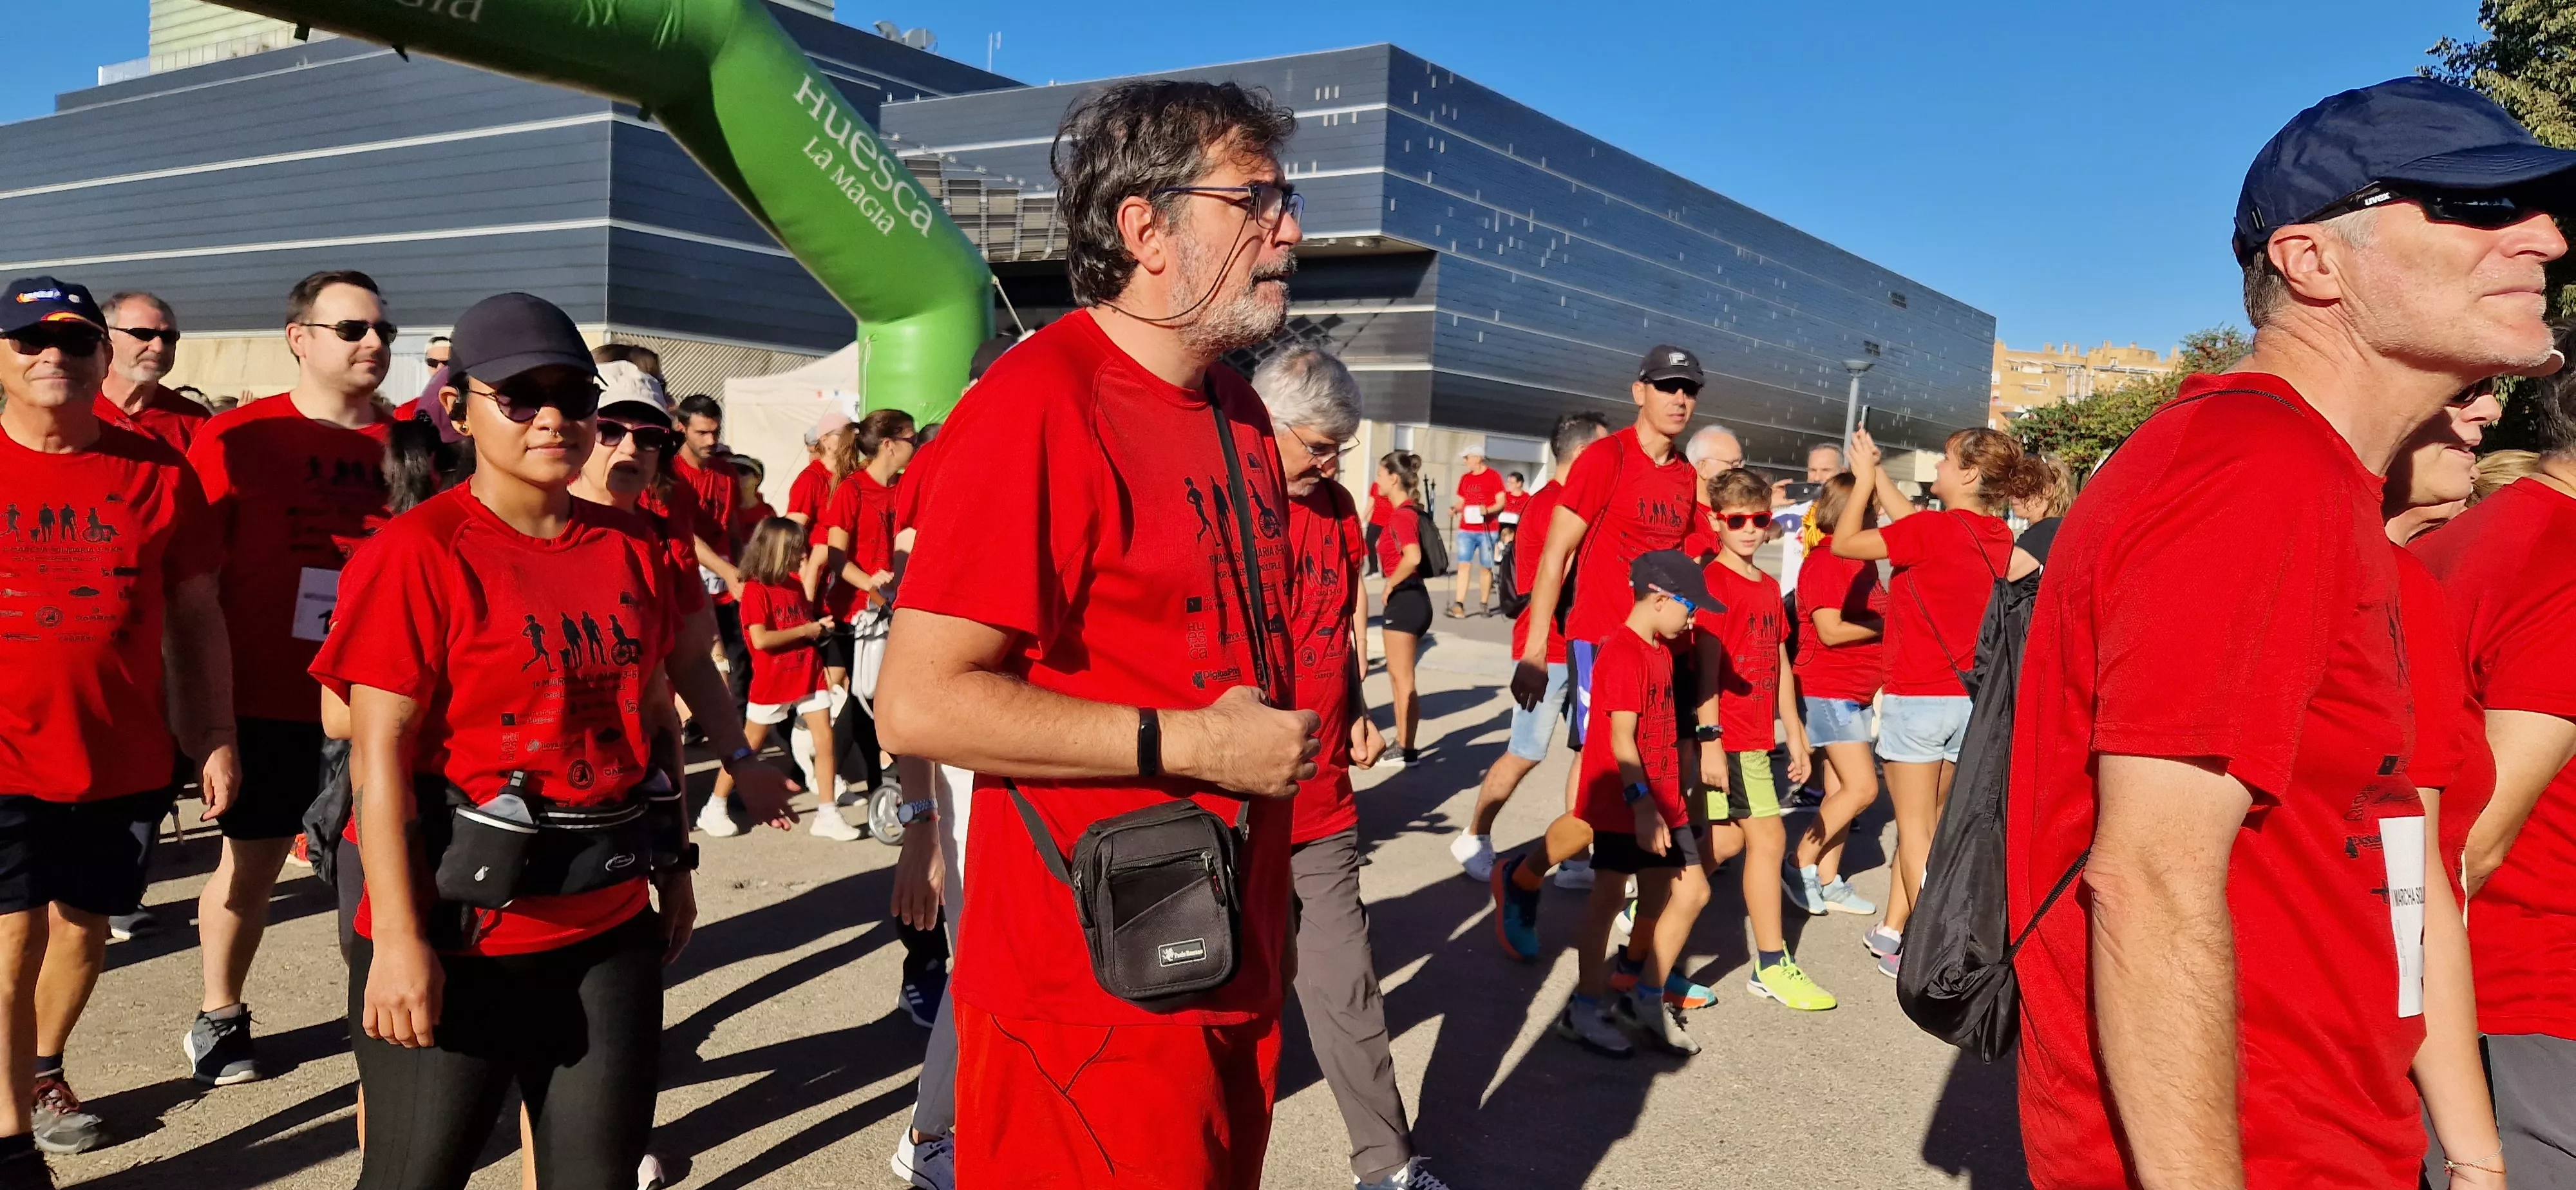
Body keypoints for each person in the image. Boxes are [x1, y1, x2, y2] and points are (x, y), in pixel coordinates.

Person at [2011, 76, 2568, 1188]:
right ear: (2315, 262)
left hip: (2340, 1136)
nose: (2547, 238)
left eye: (2541, 212)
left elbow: (2413, 862)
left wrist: (2472, 1152)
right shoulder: (2251, 470)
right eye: (2478, 208)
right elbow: (2153, 881)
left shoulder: (2341, 507)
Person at [872, 78, 1319, 1188]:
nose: (1290, 230)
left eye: (1286, 197)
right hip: (1090, 986)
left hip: (1228, 940)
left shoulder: (1242, 410)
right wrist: (1196, 745)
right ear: (1144, 227)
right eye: (1254, 200)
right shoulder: (1037, 402)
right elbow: (920, 700)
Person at [315, 292, 790, 1190]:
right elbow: (375, 758)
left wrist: (676, 865)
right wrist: (399, 944)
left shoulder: (638, 547)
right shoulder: (420, 551)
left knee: (594, 1179)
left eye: (573, 398)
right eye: (519, 397)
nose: (552, 419)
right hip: (462, 934)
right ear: (459, 409)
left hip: (606, 927)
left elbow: (652, 718)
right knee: (414, 1178)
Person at [0, 278, 235, 1167]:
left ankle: (40, 1066)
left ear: (101, 356)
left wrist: (215, 732)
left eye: (71, 339)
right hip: (6, 751)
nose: (51, 355)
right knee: (12, 934)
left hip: (120, 751)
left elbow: (197, 612)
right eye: (28, 341)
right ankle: (11, 1142)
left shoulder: (157, 471)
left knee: (84, 931)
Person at [183, 269, 397, 1086]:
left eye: (382, 329)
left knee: (383, 867)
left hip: (373, 702)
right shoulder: (238, 437)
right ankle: (219, 1014)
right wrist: (206, 720)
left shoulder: (411, 445)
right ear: (300, 338)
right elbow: (193, 583)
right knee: (250, 867)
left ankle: (390, 1013)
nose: (374, 342)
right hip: (267, 698)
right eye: (352, 329)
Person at [1255, 347, 1448, 1190]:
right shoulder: (1227, 503)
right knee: (1225, 1007)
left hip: (1323, 798)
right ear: (1264, 425)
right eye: (1317, 446)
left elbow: (1336, 625)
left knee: (1349, 988)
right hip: (1232, 806)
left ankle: (1388, 1168)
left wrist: (1361, 708)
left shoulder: (1337, 509)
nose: (1332, 464)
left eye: (1342, 447)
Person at [2414, 352, 2576, 1187]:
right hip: (2534, 994)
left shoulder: (2473, 534)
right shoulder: (2566, 560)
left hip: (2470, 997)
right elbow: (2474, 842)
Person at [1495, 345, 1701, 958]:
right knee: (1608, 798)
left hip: (1657, 652)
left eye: (1688, 389)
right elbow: (1556, 554)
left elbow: (1683, 562)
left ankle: (1635, 956)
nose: (1679, 399)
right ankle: (1524, 878)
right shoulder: (1603, 459)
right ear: (1639, 391)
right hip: (1598, 648)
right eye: (1666, 386)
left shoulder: (1685, 475)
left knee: (1652, 791)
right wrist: (1537, 649)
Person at [1830, 424, 2036, 979]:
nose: (1936, 469)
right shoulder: (1995, 536)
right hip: (1968, 703)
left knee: (1915, 831)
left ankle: (1936, 951)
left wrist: (1867, 479)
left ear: (1968, 473)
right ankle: (1900, 938)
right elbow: (1916, 523)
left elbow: (1845, 544)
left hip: (1915, 699)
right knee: (1939, 826)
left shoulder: (1928, 531)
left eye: (1945, 461)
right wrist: (1879, 479)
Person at [2375, 386, 2512, 1188]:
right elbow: (2415, 881)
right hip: (2340, 1067)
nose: (2488, 411)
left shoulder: (2399, 576)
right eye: (2456, 392)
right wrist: (2476, 1156)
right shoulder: (2387, 588)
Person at [1556, 551, 1716, 1059]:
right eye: (1690, 609)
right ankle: (1584, 1008)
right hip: (1632, 804)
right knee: (1607, 899)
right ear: (1661, 598)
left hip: (1665, 802)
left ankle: (1646, 994)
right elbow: (1622, 739)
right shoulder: (1623, 653)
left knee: (1676, 897)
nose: (1693, 620)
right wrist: (1642, 803)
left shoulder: (1661, 652)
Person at [1450, 413, 1611, 881]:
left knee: (1589, 750)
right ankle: (1474, 836)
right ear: (1583, 455)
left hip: (1581, 647)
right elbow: (1546, 581)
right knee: (1526, 751)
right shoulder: (1552, 505)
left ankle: (1576, 857)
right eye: (1604, 453)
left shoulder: (1573, 500)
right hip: (1551, 652)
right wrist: (1535, 654)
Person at [1691, 468, 1828, 1010]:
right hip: (1727, 736)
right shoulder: (1712, 586)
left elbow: (1778, 661)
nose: (1750, 529)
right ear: (1715, 522)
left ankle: (1651, 899)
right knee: (1769, 841)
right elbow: (1705, 672)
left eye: (1759, 519)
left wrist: (1794, 732)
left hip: (1758, 735)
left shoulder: (1770, 587)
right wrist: (1708, 740)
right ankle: (1771, 963)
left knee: (1726, 842)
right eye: (1738, 520)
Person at [715, 518, 855, 840]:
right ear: (778, 552)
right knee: (747, 747)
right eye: (796, 550)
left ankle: (828, 812)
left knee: (825, 738)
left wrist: (818, 629)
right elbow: (761, 639)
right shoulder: (755, 590)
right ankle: (716, 805)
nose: (802, 555)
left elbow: (802, 626)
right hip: (773, 680)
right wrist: (807, 630)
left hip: (808, 672)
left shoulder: (793, 585)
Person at [1785, 473, 1886, 919]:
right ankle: (1798, 864)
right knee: (1863, 789)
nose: (1879, 514)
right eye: (1872, 506)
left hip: (1856, 691)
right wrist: (1887, 625)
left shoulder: (1861, 561)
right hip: (1830, 689)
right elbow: (1830, 631)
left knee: (1841, 792)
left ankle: (1827, 879)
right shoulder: (1826, 561)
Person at [665, 393, 750, 708]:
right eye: (702, 432)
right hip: (689, 578)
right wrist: (727, 571)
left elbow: (734, 528)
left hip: (728, 583)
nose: (711, 440)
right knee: (695, 658)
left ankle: (736, 740)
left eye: (716, 432)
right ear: (681, 428)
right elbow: (684, 534)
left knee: (738, 660)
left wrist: (741, 568)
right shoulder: (671, 475)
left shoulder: (726, 472)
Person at [97, 290, 210, 453]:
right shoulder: (69, 411)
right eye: (143, 334)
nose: (158, 348)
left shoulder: (194, 422)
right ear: (106, 338)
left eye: (168, 337)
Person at [1374, 451, 1430, 768]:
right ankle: (1403, 744)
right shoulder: (1408, 512)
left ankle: (1405, 747)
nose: (1377, 481)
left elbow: (1413, 556)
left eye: (1381, 474)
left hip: (1405, 598)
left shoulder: (1402, 515)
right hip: (1411, 598)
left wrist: (1389, 584)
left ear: (1394, 478)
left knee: (1402, 678)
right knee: (1399, 677)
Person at [1772, 442, 1844, 598]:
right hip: (1794, 604)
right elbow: (1760, 532)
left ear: (1842, 472)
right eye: (1812, 470)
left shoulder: (1854, 515)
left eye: (1826, 471)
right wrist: (1767, 503)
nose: (1817, 478)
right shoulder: (1793, 513)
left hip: (1834, 603)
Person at [1448, 446, 1505, 618]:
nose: (1465, 461)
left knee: (1485, 568)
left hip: (1487, 529)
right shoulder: (1465, 478)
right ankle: (1459, 604)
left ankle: (1484, 602)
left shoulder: (1494, 476)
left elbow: (1501, 502)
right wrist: (1454, 509)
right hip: (1466, 529)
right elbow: (1462, 502)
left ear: (1478, 458)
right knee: (1463, 565)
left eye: (1467, 458)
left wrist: (1488, 510)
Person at [1677, 424, 1745, 560]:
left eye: (1741, 465)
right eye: (1733, 465)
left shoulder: (1733, 511)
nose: (1740, 473)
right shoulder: (1683, 517)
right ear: (1703, 468)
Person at [785, 408, 852, 527]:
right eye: (843, 435)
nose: (850, 439)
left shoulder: (854, 476)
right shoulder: (811, 479)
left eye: (853, 433)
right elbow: (792, 531)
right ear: (824, 440)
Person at [1497, 471, 1529, 547]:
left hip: (1517, 529)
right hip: (1503, 528)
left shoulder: (1527, 498)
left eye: (1511, 483)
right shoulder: (1504, 496)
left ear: (1519, 484)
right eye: (1508, 482)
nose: (1508, 485)